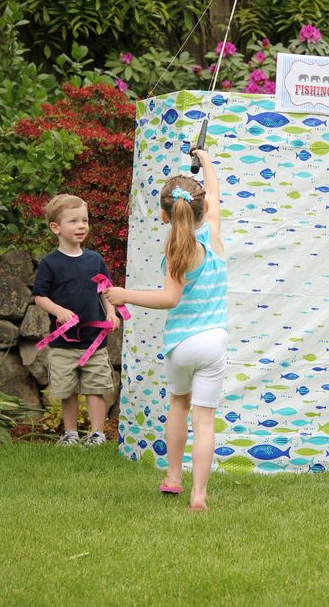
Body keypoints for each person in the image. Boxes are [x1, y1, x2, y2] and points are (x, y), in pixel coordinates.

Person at [105, 149, 227, 511]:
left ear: (164, 215)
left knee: (179, 403)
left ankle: (174, 477)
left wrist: (125, 294)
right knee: (204, 421)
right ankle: (199, 495)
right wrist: (205, 161)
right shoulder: (214, 235)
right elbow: (216, 196)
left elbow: (170, 299)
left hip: (181, 343)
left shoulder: (177, 249)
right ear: (202, 209)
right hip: (214, 341)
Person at [33, 194, 119, 446]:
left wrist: (111, 313)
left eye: (85, 220)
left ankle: (97, 434)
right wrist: (58, 311)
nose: (81, 226)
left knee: (95, 387)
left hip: (95, 343)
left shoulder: (95, 260)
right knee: (67, 390)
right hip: (63, 344)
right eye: (74, 221)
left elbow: (106, 290)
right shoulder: (50, 263)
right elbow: (39, 297)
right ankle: (70, 434)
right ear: (55, 228)